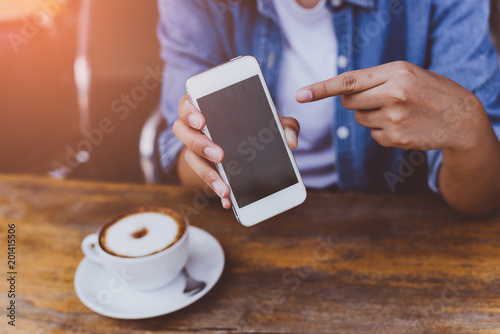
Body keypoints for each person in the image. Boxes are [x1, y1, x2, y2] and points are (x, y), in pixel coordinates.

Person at [157, 0, 500, 216]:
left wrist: (468, 123)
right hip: (253, 218)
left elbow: (480, 199)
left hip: (390, 220)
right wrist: (212, 157)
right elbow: (182, 154)